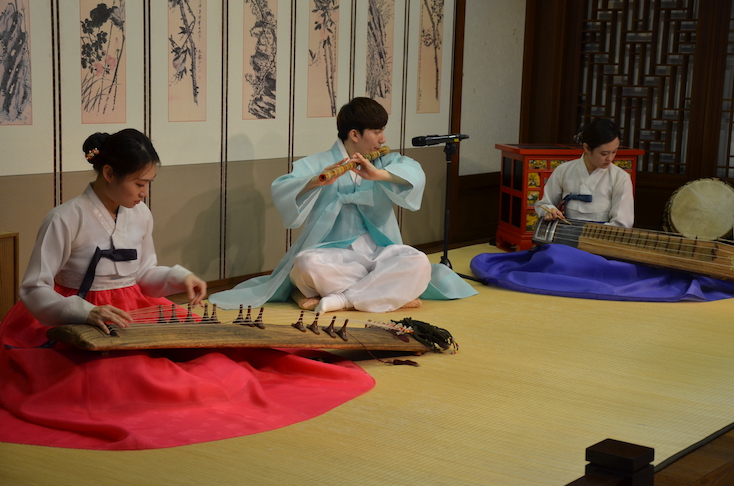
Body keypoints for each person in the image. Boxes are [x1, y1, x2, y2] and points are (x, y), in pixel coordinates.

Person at [0, 128, 374, 451]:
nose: (144, 194)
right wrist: (84, 312)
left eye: (148, 184)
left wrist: (179, 278)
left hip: (133, 304)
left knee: (212, 353)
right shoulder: (65, 218)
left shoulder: (139, 214)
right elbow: (33, 288)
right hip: (76, 309)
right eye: (140, 184)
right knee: (129, 378)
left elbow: (142, 272)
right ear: (109, 172)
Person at [209, 97, 476, 314]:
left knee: (418, 262)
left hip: (377, 251)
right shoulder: (321, 162)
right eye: (377, 131)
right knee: (305, 265)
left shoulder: (384, 161)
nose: (382, 139)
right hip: (334, 254)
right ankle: (381, 291)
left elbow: (413, 172)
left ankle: (344, 299)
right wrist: (316, 181)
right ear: (354, 134)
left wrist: (378, 175)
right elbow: (282, 188)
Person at [534, 119, 634, 228]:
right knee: (548, 246)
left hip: (601, 237)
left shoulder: (620, 177)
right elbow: (544, 204)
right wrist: (550, 210)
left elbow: (622, 222)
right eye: (604, 153)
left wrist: (591, 235)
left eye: (614, 152)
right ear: (586, 147)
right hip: (566, 233)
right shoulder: (563, 170)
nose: (610, 158)